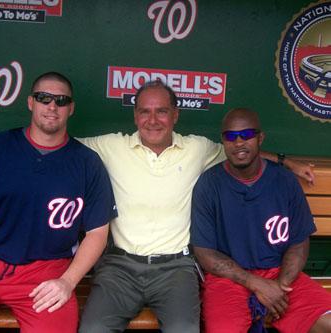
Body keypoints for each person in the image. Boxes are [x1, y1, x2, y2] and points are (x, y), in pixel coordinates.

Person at [78, 81, 315, 333]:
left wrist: (288, 162)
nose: (153, 119)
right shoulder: (111, 146)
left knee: (184, 329)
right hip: (120, 268)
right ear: (135, 116)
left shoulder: (197, 148)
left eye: (162, 111)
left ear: (176, 114)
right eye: (145, 111)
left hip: (175, 269)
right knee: (93, 328)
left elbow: (242, 150)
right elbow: (63, 146)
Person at [0, 72, 117, 333]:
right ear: (30, 102)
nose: (52, 106)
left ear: (71, 108)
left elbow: (97, 232)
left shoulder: (87, 163)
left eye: (61, 100)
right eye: (43, 97)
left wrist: (67, 282)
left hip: (47, 271)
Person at [190, 108, 331, 332]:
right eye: (231, 136)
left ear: (260, 138)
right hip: (229, 279)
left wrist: (281, 285)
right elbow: (206, 254)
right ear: (223, 141)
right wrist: (256, 284)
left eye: (246, 135)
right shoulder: (209, 184)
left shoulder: (284, 180)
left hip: (280, 274)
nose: (238, 142)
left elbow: (299, 242)